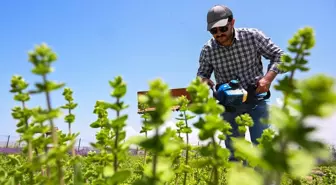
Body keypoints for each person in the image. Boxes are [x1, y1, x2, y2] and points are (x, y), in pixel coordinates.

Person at [196, 5, 285, 161]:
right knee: (235, 151)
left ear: (232, 22)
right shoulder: (208, 50)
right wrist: (203, 81)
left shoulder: (253, 36)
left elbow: (280, 56)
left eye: (222, 28)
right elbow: (202, 74)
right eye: (213, 31)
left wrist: (267, 79)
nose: (219, 34)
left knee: (263, 146)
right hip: (229, 105)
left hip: (256, 99)